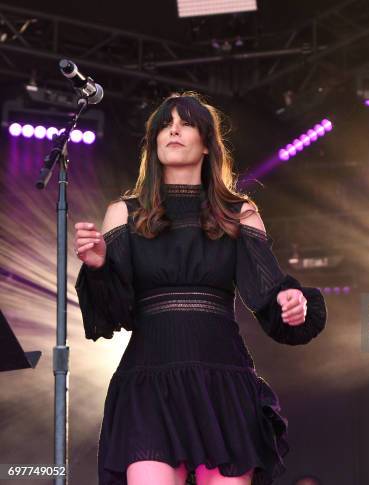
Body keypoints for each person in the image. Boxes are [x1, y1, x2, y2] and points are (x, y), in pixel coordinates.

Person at [73, 92, 327, 485]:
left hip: (221, 383)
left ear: (207, 143)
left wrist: (290, 300)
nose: (172, 129)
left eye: (185, 122)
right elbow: (112, 314)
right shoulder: (125, 212)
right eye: (164, 124)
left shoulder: (239, 213)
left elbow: (270, 291)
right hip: (150, 381)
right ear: (154, 141)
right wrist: (100, 267)